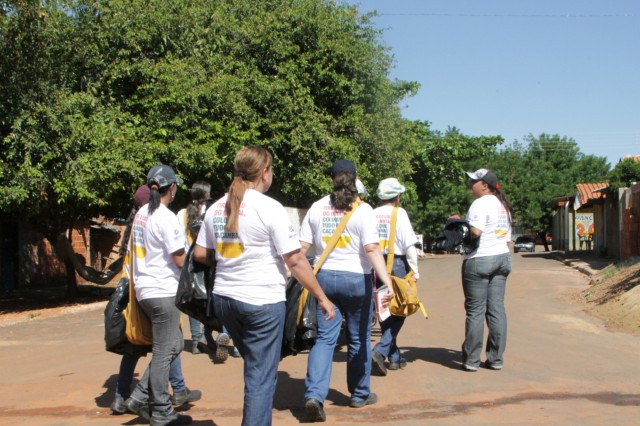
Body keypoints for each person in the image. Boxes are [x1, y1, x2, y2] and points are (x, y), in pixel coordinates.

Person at [194, 146, 335, 426]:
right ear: (264, 173)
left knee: (256, 368)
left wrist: (230, 258)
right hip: (261, 303)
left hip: (225, 300)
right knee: (261, 377)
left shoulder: (215, 208)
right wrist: (321, 296)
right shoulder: (270, 208)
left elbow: (200, 254)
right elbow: (295, 259)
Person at [299, 159, 394, 422]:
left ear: (331, 179)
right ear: (355, 178)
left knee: (325, 339)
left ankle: (314, 396)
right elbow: (372, 249)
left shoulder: (318, 207)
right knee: (359, 338)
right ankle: (359, 394)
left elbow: (302, 248)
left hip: (324, 279)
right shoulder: (364, 210)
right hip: (356, 281)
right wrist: (386, 281)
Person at [111, 185, 200, 417]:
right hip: (163, 291)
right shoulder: (164, 216)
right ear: (171, 188)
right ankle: (159, 409)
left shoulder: (141, 215)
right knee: (164, 350)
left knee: (176, 343)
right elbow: (180, 259)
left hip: (144, 291)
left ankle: (140, 396)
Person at [176, 181, 240, 361]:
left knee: (194, 300)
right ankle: (227, 336)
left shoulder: (181, 214)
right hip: (208, 260)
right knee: (213, 302)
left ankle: (197, 340)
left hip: (189, 263)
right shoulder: (212, 209)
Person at [461, 168, 513, 372]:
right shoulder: (503, 205)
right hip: (502, 258)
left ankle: (472, 360)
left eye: (474, 181)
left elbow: (476, 231)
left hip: (480, 259)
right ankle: (495, 358)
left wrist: (460, 232)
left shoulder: (480, 203)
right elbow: (506, 237)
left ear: (485, 185)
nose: (470, 184)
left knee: (475, 311)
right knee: (497, 309)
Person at [370, 178, 420, 376]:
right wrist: (415, 271)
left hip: (375, 263)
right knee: (401, 308)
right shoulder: (400, 213)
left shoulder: (371, 213)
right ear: (397, 196)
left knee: (384, 309)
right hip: (396, 264)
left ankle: (395, 357)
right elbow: (409, 245)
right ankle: (381, 350)